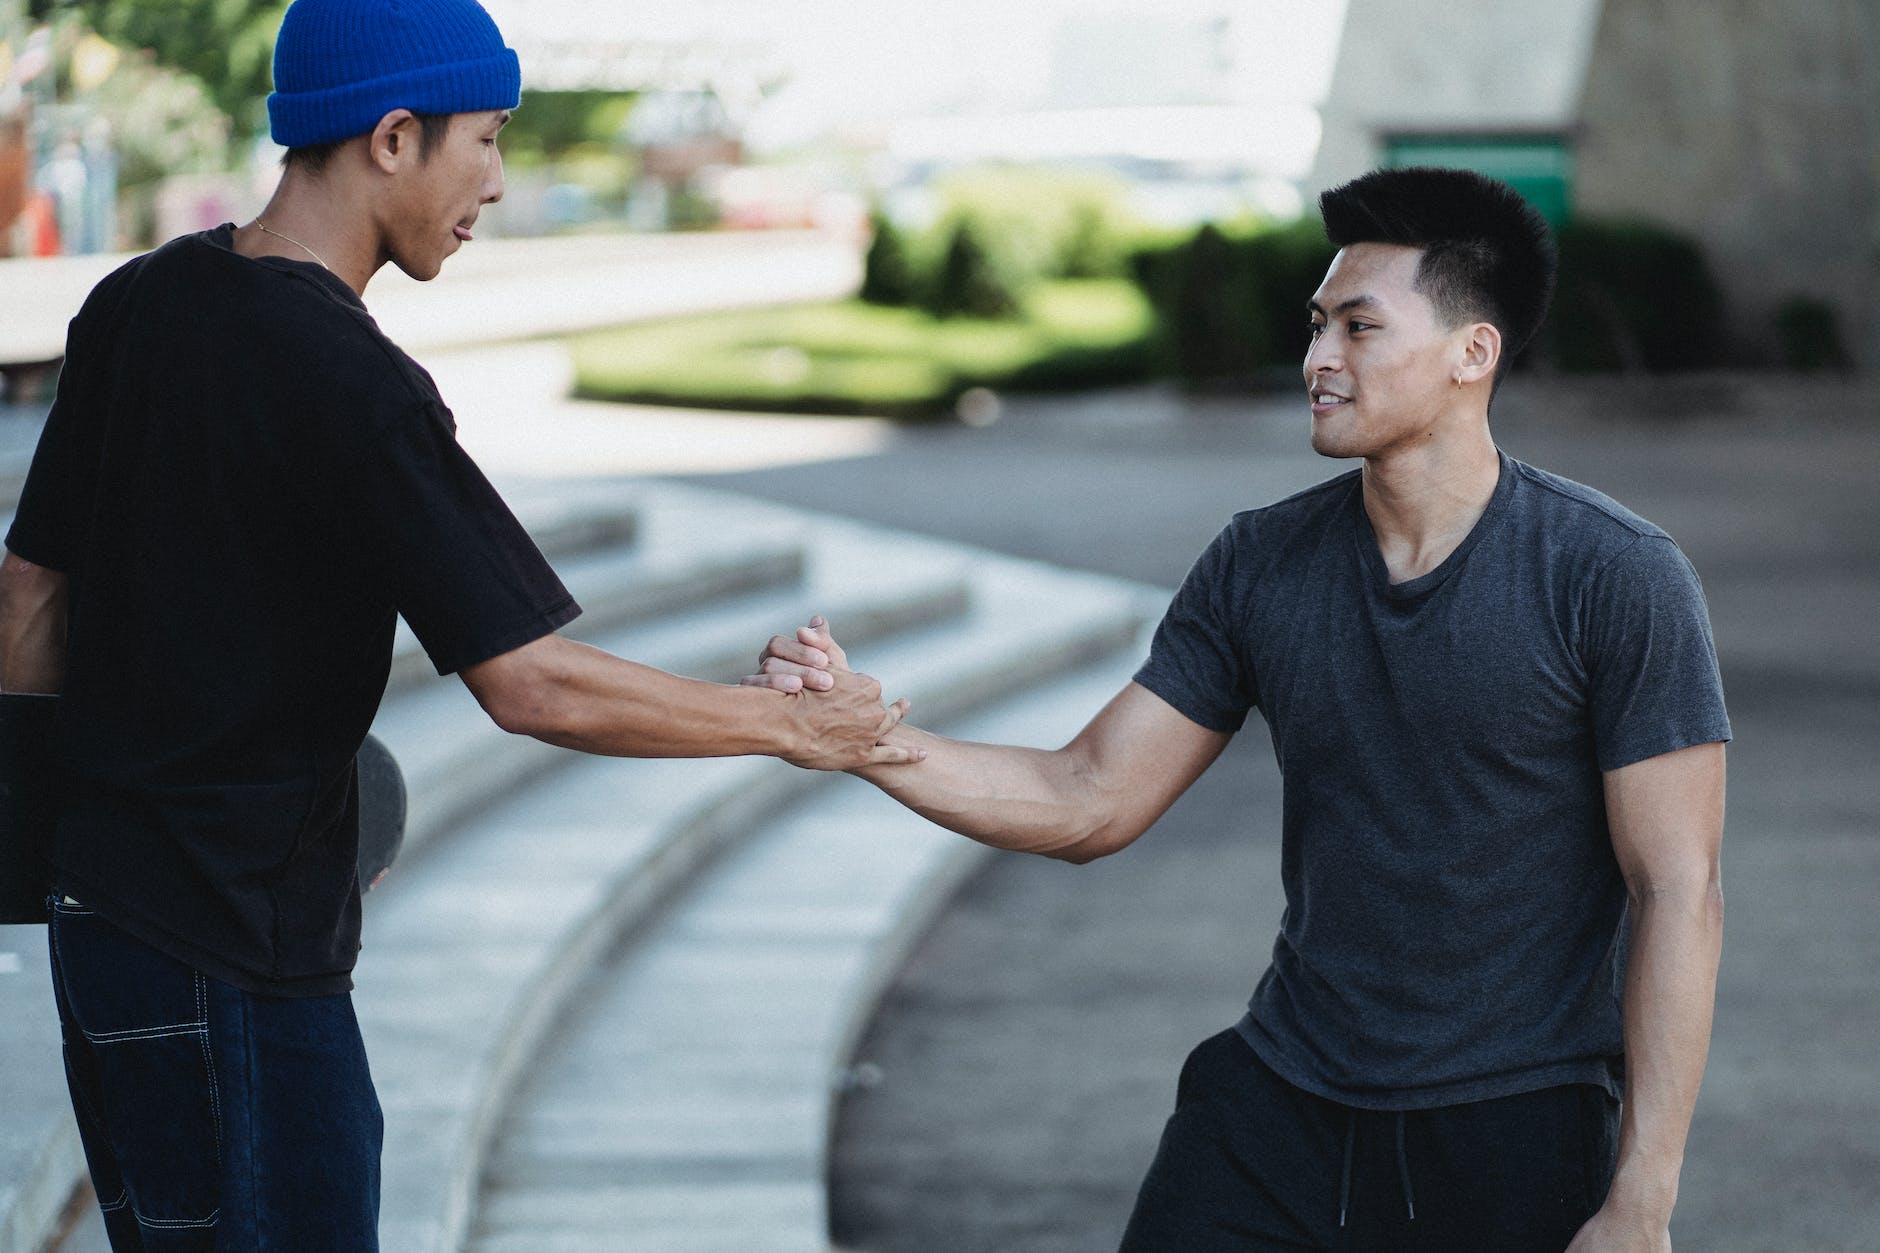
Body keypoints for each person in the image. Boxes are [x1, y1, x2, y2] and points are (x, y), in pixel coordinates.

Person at [0, 0, 916, 1247]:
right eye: (483, 139)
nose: (493, 181)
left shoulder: (137, 303)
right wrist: (787, 728)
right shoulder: (353, 381)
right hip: (240, 959)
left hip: (111, 934)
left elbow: (31, 604)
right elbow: (530, 681)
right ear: (391, 137)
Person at [754, 168, 1730, 1251]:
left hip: (1511, 1124)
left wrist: (1640, 1197)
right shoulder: (1259, 563)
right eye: (1316, 325)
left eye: (1358, 328)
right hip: (1279, 1101)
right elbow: (1088, 797)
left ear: (1471, 352)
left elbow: (1675, 886)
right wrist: (864, 737)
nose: (1316, 358)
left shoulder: (1610, 573)